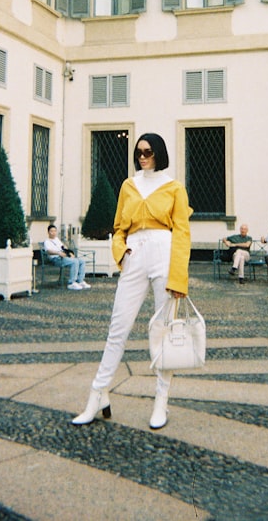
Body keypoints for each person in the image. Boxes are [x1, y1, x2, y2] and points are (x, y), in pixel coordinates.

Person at [72, 133, 192, 430]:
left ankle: (161, 401)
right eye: (139, 152)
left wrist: (178, 276)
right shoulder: (129, 185)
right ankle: (97, 394)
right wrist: (121, 254)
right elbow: (118, 227)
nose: (142, 156)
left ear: (159, 153)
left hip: (164, 253)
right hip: (135, 255)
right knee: (118, 328)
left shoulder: (175, 187)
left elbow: (182, 233)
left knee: (163, 330)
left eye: (148, 152)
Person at [43, 224, 90, 291]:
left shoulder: (57, 239)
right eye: (51, 231)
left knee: (81, 261)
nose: (53, 233)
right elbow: (48, 251)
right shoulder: (47, 241)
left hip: (64, 257)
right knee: (74, 262)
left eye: (55, 231)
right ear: (48, 232)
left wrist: (69, 253)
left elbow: (64, 247)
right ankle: (71, 283)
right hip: (56, 259)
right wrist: (58, 253)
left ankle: (80, 281)